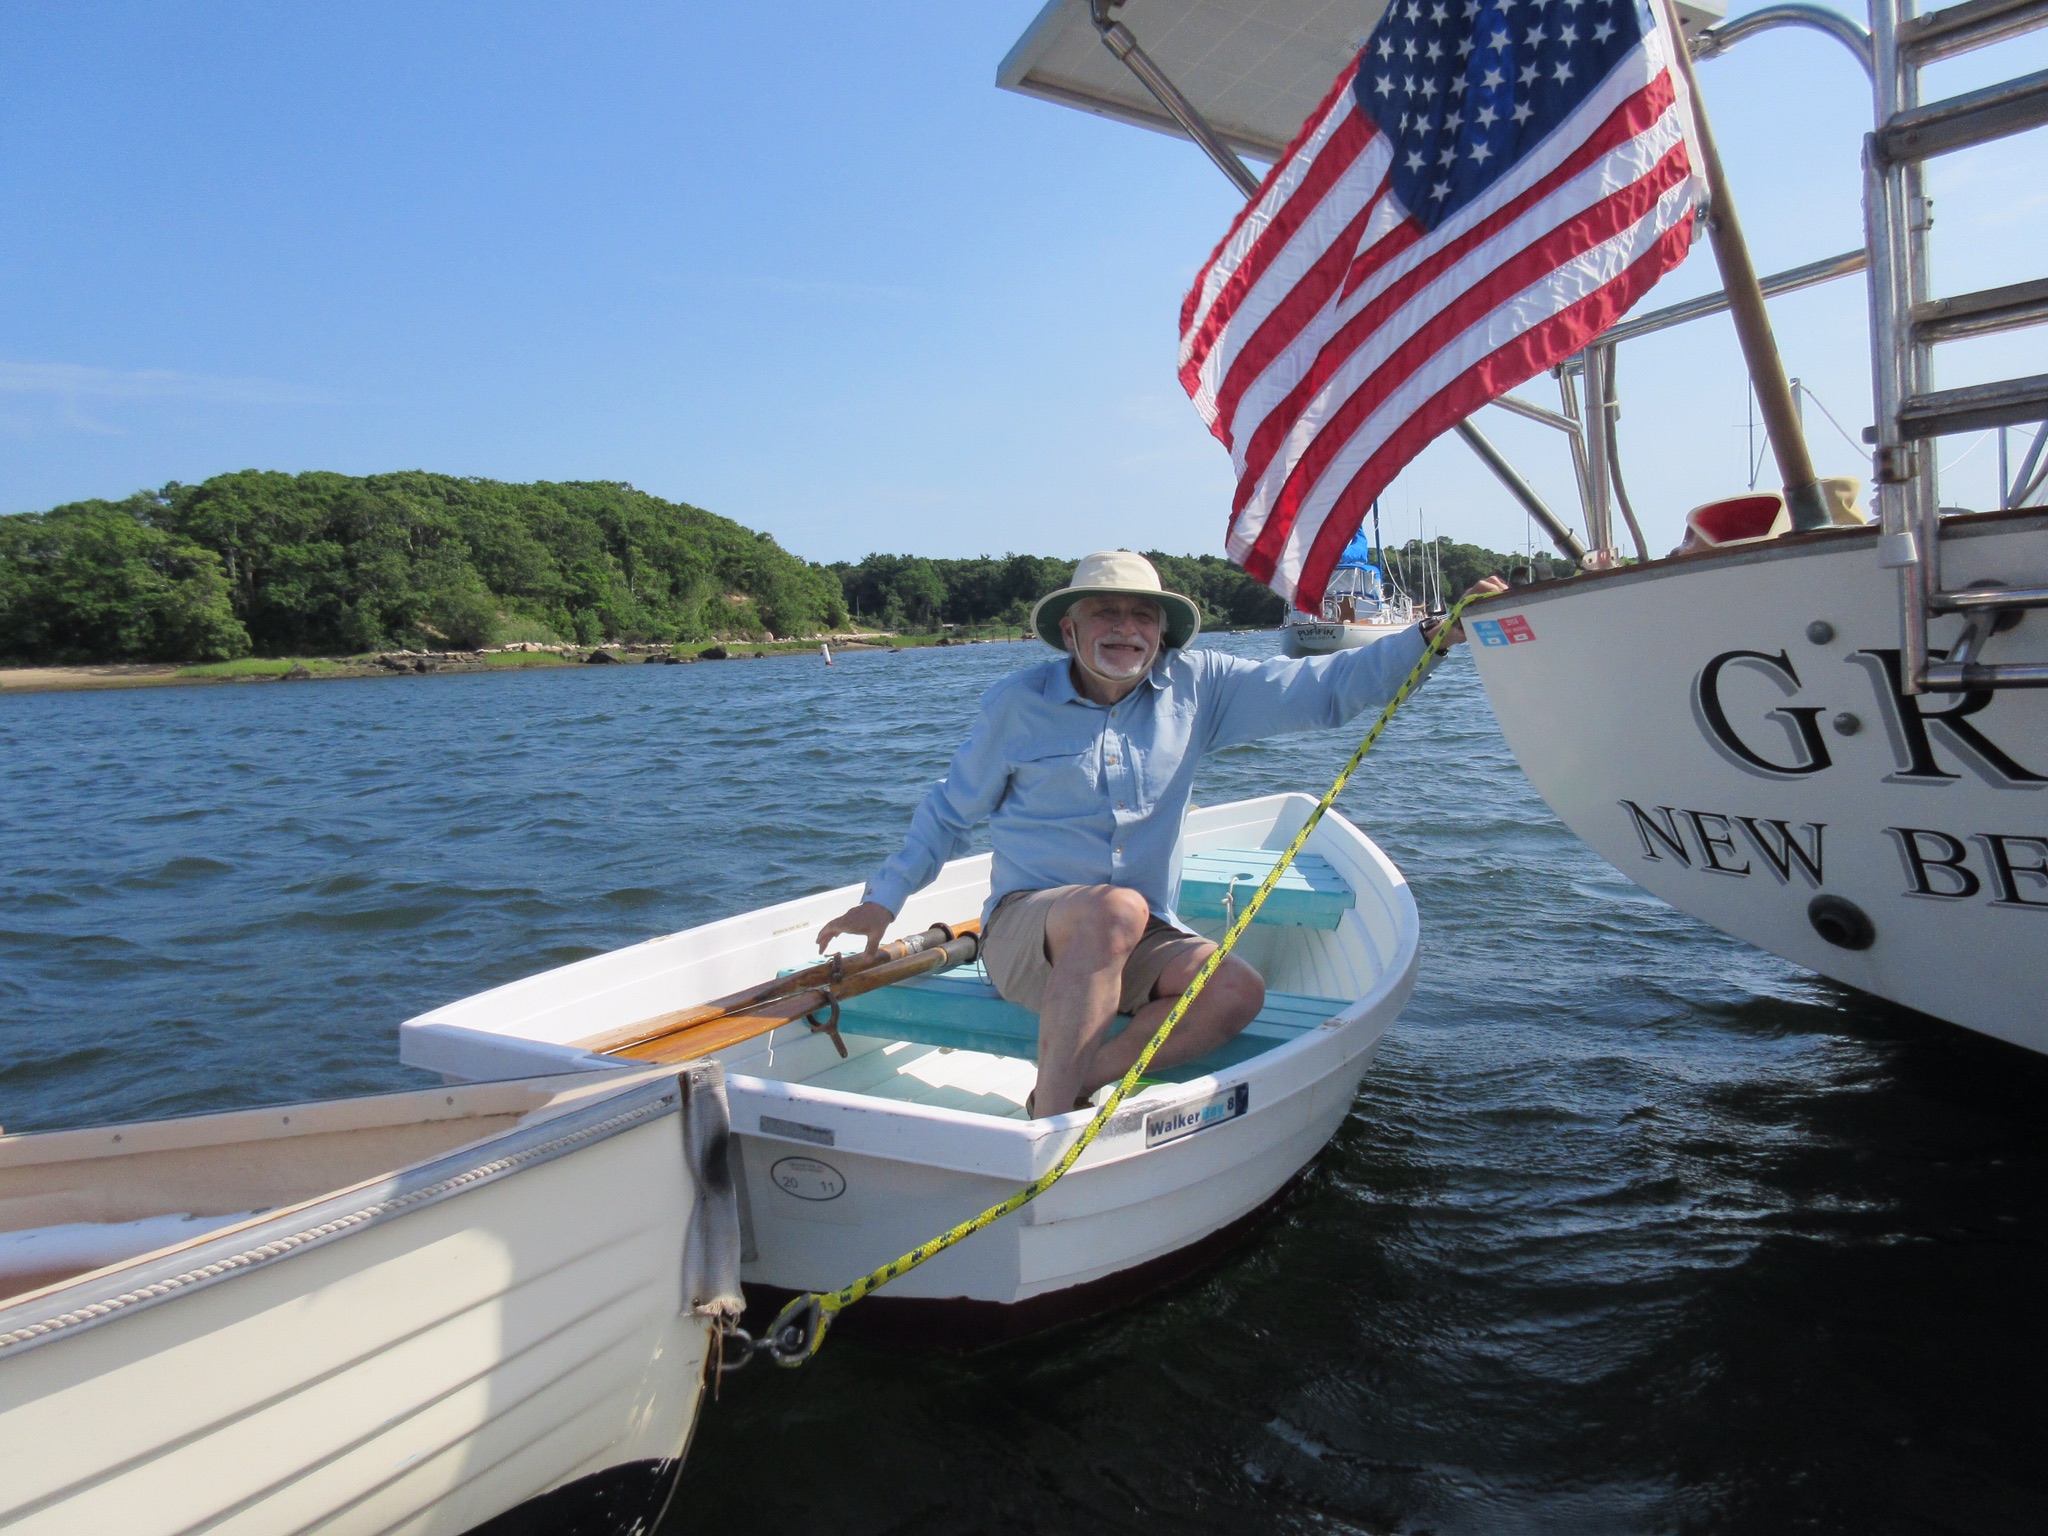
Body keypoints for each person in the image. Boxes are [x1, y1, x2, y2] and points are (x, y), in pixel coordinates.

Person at [816, 551, 1506, 1118]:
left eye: (1142, 614)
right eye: (1105, 614)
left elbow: (1323, 687)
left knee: (1237, 991)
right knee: (1114, 910)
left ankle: (1081, 1083)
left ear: (1164, 632)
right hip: (1028, 937)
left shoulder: (1199, 686)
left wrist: (1430, 636)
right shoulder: (1015, 706)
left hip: (1141, 933)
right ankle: (1051, 1122)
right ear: (1069, 632)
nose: (1126, 628)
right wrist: (883, 901)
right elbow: (947, 812)